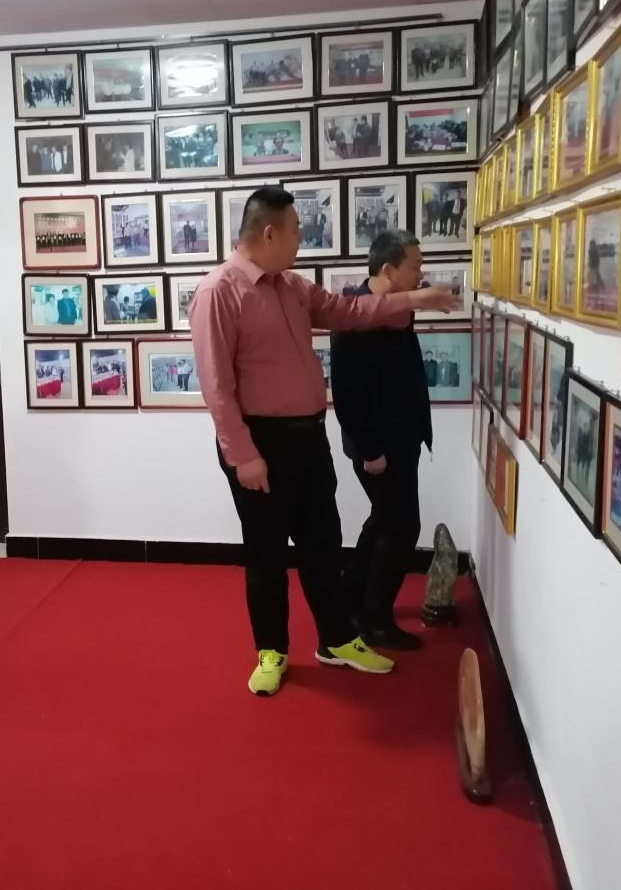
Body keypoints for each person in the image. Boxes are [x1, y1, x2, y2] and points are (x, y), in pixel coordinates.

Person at [190, 188, 458, 696]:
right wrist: (244, 456)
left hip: (309, 439)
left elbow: (349, 311)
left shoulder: (294, 286)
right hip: (259, 445)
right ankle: (271, 652)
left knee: (323, 546)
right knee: (267, 555)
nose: (301, 240)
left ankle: (336, 640)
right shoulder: (219, 292)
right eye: (296, 231)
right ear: (270, 233)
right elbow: (217, 387)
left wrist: (414, 298)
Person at [330, 231, 439, 651]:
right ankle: (374, 618)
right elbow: (347, 394)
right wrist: (371, 450)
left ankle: (351, 596)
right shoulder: (354, 317)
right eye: (415, 266)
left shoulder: (396, 311)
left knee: (384, 519)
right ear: (389, 269)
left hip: (401, 439)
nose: (421, 274)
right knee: (402, 526)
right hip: (379, 447)